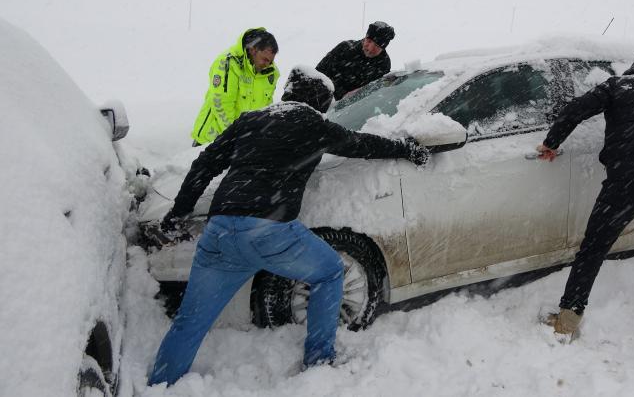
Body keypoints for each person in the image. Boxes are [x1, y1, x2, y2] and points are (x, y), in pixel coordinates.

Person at [148, 66, 429, 387]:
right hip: (270, 230)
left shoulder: (250, 121)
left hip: (221, 230)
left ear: (288, 93)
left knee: (190, 321)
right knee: (329, 272)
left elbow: (205, 164)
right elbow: (361, 144)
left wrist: (177, 214)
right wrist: (407, 149)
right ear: (321, 103)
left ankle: (161, 384)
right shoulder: (313, 124)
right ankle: (320, 358)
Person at [537, 43, 634, 338]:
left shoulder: (618, 87)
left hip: (626, 184)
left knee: (593, 249)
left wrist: (552, 142)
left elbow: (575, 110)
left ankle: (568, 318)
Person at [190, 27, 280, 145]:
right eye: (265, 59)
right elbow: (221, 104)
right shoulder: (228, 63)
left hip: (243, 145)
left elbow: (265, 109)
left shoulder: (271, 73)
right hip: (212, 142)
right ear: (253, 50)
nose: (267, 64)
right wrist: (234, 138)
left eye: (270, 61)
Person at [316, 21, 395, 100]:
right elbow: (319, 74)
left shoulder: (384, 63)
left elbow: (379, 91)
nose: (370, 48)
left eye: (377, 46)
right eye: (369, 41)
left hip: (354, 108)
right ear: (365, 38)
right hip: (325, 99)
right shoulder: (345, 48)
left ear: (383, 48)